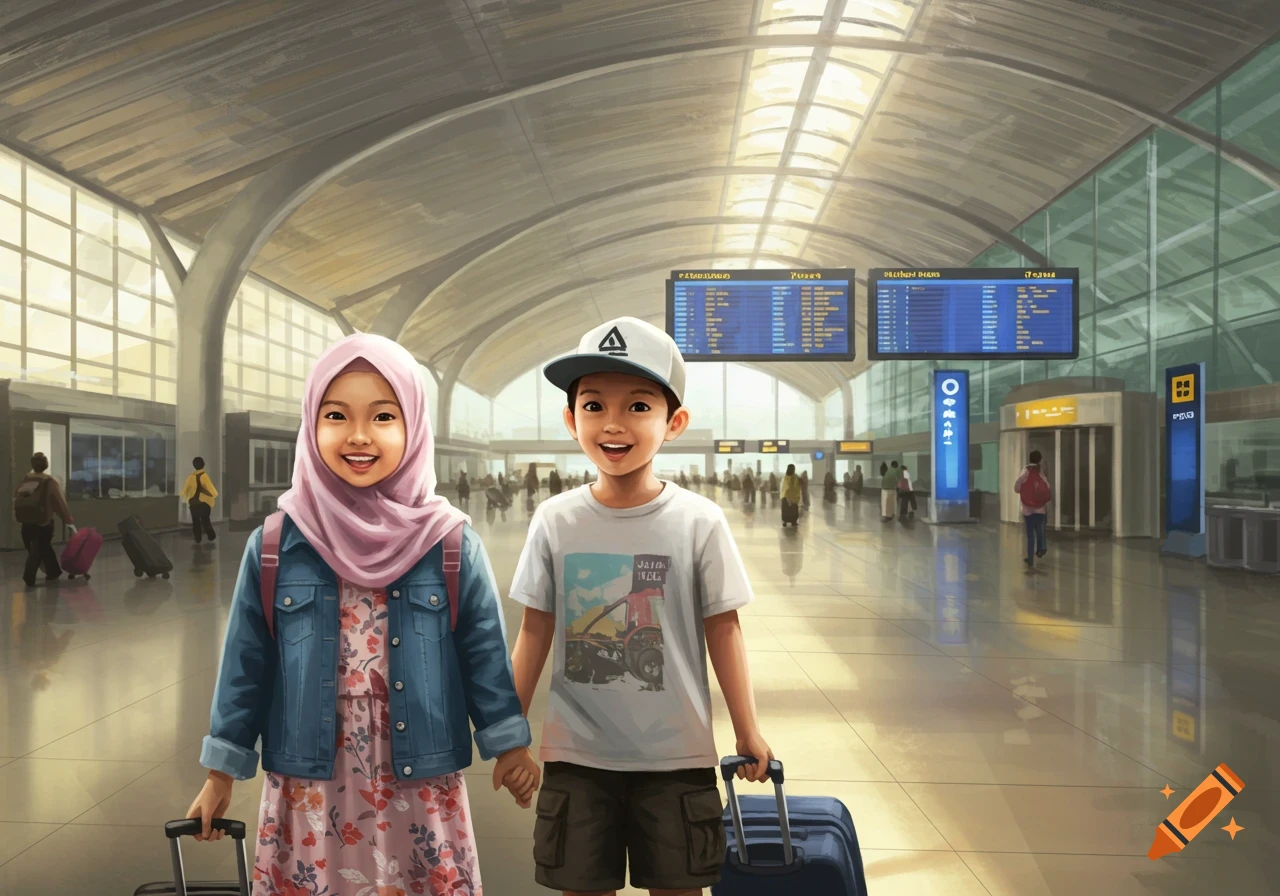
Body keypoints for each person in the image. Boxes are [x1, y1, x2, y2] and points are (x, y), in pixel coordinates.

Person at [185, 334, 538, 896]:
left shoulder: (448, 542)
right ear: (311, 422)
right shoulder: (276, 542)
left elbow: (484, 655)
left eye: (382, 416)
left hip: (419, 770)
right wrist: (220, 771)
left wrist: (509, 744)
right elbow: (245, 665)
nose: (358, 436)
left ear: (414, 425)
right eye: (336, 415)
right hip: (309, 772)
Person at [510, 317, 772, 896]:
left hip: (677, 759)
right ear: (570, 418)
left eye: (637, 406)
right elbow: (535, 630)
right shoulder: (554, 520)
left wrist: (747, 729)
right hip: (577, 760)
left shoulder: (699, 522)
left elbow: (723, 630)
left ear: (673, 422)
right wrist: (510, 731)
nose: (612, 424)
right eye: (594, 404)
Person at [13, 452, 73, 587]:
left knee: (38, 547)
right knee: (41, 547)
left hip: (26, 520)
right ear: (46, 465)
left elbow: (17, 495)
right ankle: (40, 573)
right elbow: (59, 501)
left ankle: (46, 573)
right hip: (44, 520)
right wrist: (66, 518)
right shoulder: (49, 481)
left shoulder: (26, 478)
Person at [1014, 449, 1052, 567]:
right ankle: (1041, 548)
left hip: (1028, 509)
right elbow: (1047, 485)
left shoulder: (1026, 470)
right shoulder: (1040, 470)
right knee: (1040, 530)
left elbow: (1018, 484)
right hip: (1040, 509)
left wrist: (1020, 491)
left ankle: (1030, 558)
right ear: (1039, 459)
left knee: (1030, 535)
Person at [179, 457, 220, 544]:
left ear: (194, 465)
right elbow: (213, 491)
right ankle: (211, 536)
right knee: (205, 520)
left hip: (193, 503)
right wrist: (213, 494)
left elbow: (184, 491)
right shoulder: (204, 476)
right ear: (203, 464)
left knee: (195, 521)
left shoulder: (190, 477)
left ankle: (198, 538)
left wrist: (187, 499)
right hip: (204, 503)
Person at [780, 463, 802, 528]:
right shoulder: (795, 477)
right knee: (793, 510)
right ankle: (793, 522)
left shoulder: (785, 477)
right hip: (793, 497)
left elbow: (784, 487)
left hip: (785, 496)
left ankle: (785, 521)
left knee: (786, 510)